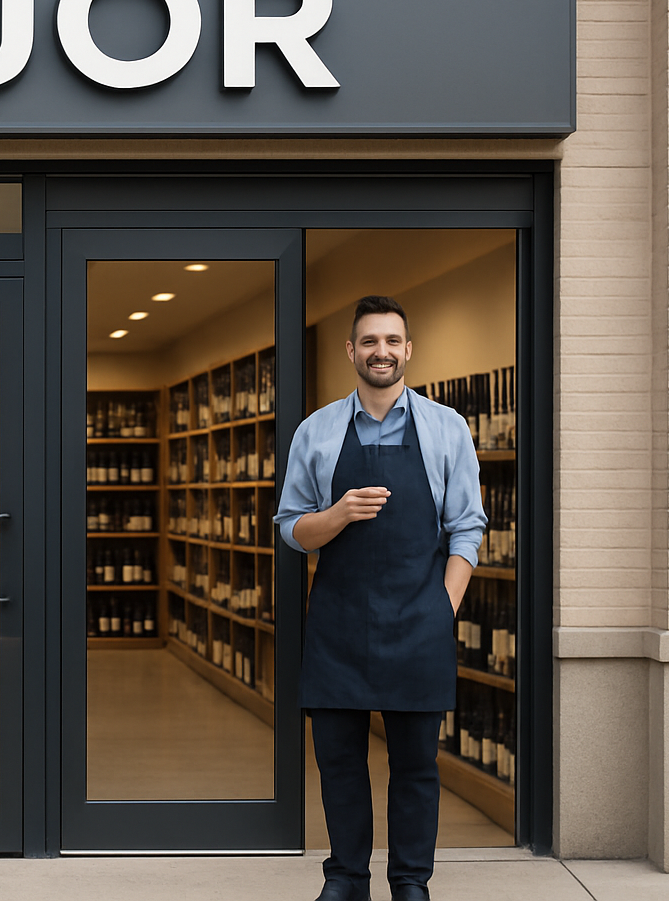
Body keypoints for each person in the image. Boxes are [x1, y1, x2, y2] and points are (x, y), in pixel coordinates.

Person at [274, 295, 486, 901]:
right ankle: (346, 879)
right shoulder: (316, 431)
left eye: (392, 341)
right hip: (338, 625)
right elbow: (291, 528)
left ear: (408, 349)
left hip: (420, 622)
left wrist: (444, 606)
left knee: (415, 767)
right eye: (369, 341)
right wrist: (337, 514)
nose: (381, 352)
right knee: (339, 764)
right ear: (352, 351)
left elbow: (467, 526)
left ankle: (411, 882)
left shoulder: (447, 428)